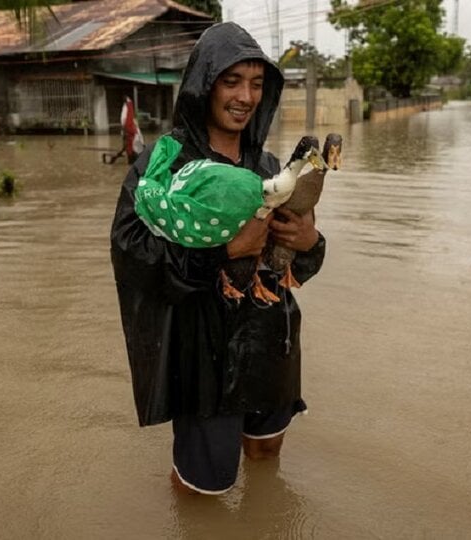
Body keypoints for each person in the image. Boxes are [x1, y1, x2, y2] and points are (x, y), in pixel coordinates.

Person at [110, 22, 326, 495]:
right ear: (203, 86)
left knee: (266, 453)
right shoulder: (163, 167)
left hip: (271, 341)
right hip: (203, 352)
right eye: (231, 81)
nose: (245, 96)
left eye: (256, 84)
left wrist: (310, 241)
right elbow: (132, 256)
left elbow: (296, 269)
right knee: (205, 487)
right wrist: (224, 252)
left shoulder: (270, 168)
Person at [120, 95, 143, 163]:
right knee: (134, 143)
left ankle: (132, 158)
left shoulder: (126, 106)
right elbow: (125, 119)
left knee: (130, 144)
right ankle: (134, 158)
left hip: (129, 129)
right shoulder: (128, 106)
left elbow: (123, 119)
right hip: (130, 129)